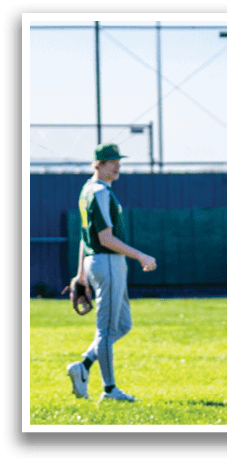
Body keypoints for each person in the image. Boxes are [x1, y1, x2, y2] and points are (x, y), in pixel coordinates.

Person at [65, 143, 157, 403]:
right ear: (98, 164)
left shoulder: (88, 190)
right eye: (110, 161)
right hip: (107, 262)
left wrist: (80, 274)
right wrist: (140, 255)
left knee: (123, 325)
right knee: (106, 330)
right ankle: (110, 390)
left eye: (118, 160)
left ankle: (83, 366)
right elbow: (105, 238)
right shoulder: (100, 192)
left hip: (99, 262)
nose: (117, 166)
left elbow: (85, 237)